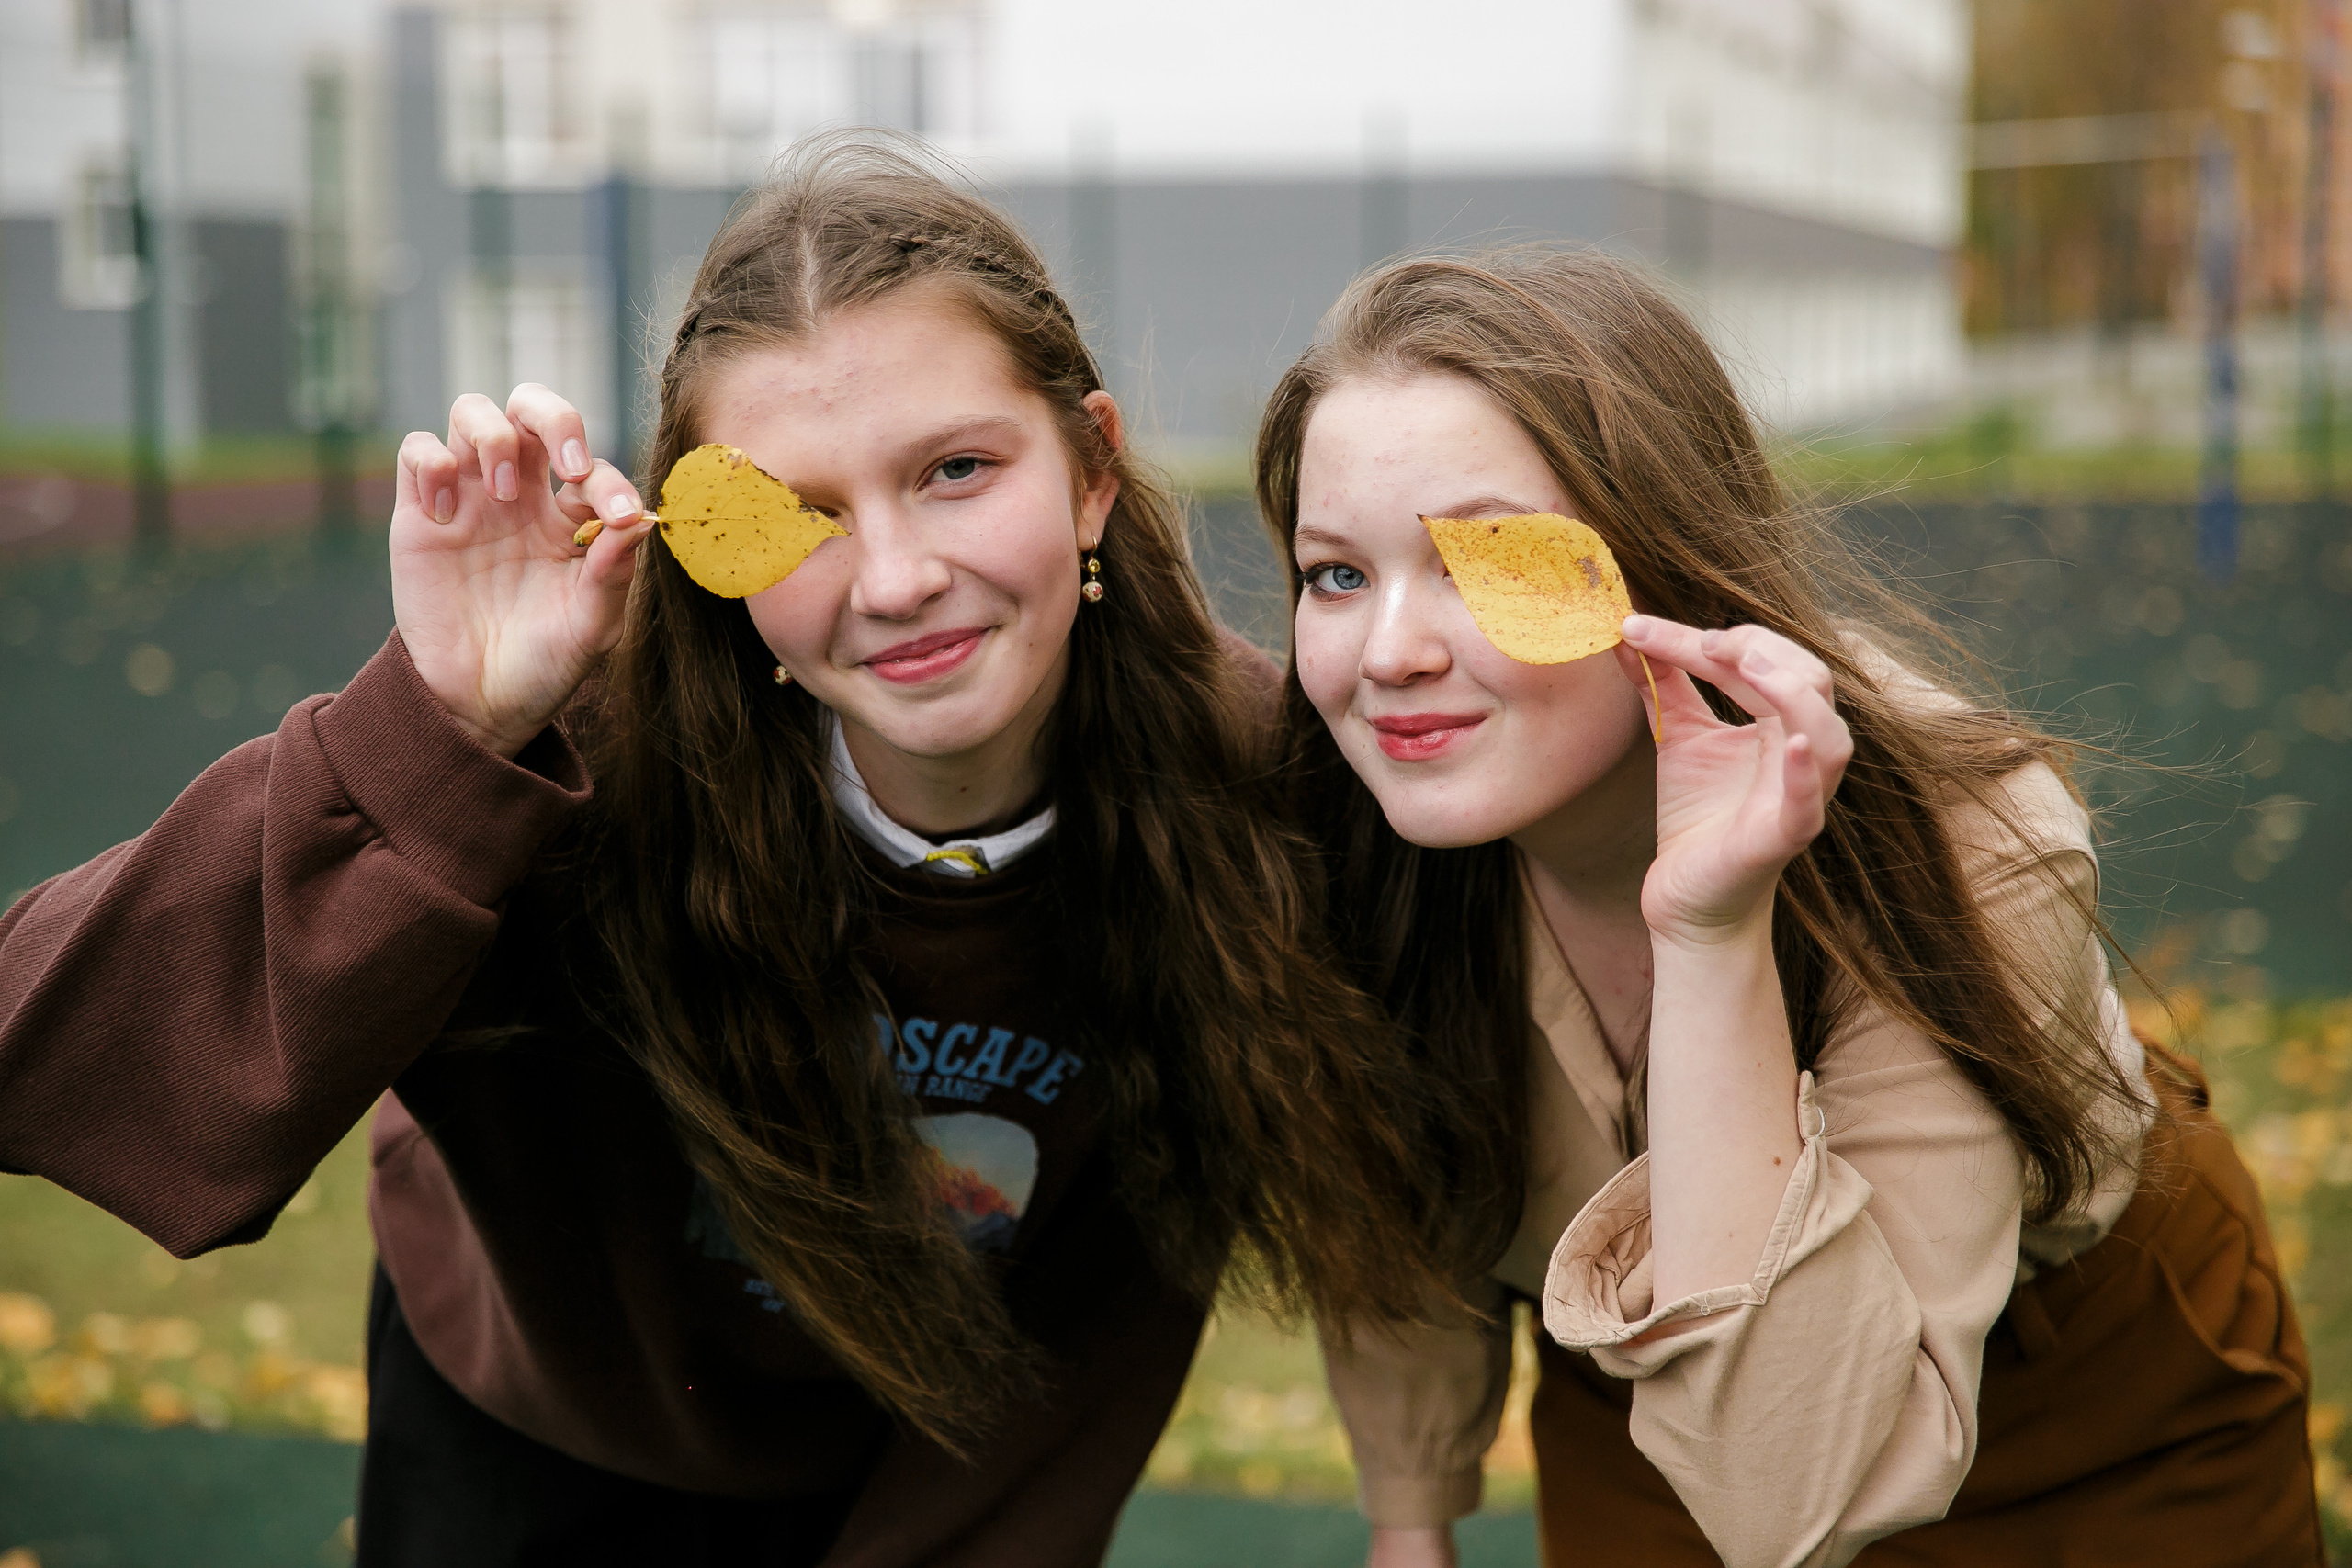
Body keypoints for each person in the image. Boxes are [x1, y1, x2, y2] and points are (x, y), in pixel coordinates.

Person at [0, 140, 1440, 1566]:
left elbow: (1116, 1308)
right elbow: (60, 1055)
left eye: (956, 469)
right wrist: (439, 734)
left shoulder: (1248, 790)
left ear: (1091, 471)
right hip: (529, 1434)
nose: (895, 579)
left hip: (932, 1442)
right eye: (796, 515)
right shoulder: (571, 766)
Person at [1257, 248, 2324, 1568]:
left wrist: (1710, 934)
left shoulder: (1959, 833)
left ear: (1671, 556)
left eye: (1487, 564)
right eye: (1336, 575)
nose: (1388, 655)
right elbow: (1400, 1190)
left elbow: (1813, 1488)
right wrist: (1409, 1517)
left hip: (2092, 1403)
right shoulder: (1338, 825)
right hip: (1656, 1409)